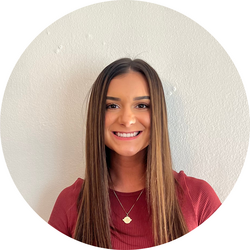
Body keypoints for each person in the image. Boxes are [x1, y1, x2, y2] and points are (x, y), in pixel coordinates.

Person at [48, 58, 221, 249]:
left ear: (158, 114)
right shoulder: (70, 203)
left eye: (142, 105)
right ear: (97, 115)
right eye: (112, 106)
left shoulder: (199, 198)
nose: (127, 120)